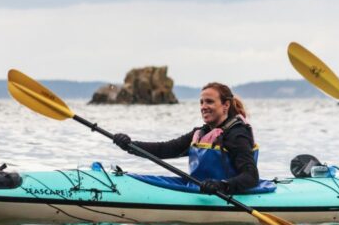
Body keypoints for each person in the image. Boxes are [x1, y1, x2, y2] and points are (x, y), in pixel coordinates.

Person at [112, 82, 265, 195]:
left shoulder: (237, 135)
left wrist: (222, 185)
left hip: (228, 193)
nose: (203, 106)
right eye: (202, 102)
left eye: (209, 101)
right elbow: (166, 149)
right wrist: (130, 145)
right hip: (201, 189)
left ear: (225, 105)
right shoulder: (201, 133)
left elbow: (251, 176)